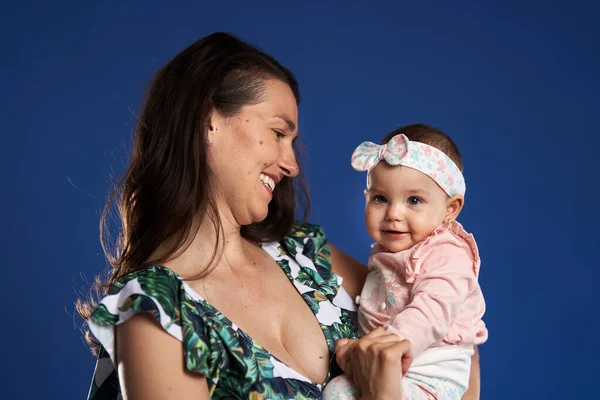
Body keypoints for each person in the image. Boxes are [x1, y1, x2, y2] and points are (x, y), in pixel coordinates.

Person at [77, 32, 481, 400]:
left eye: (293, 142)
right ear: (208, 121)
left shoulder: (307, 257)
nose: (291, 164)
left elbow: (454, 342)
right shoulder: (156, 314)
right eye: (278, 133)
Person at [324, 125, 488, 399]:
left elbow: (433, 308)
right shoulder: (391, 249)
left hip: (433, 370)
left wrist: (391, 345)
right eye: (380, 198)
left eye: (413, 200)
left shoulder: (447, 252)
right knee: (336, 391)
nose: (393, 214)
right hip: (392, 360)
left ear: (450, 209)